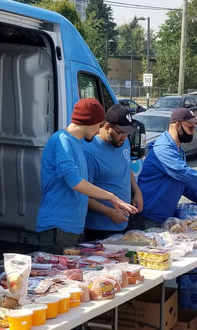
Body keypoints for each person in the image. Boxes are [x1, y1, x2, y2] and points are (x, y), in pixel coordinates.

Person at [37, 98, 138, 253]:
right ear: (89, 122)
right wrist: (111, 197)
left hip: (74, 228)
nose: (99, 131)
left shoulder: (75, 143)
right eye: (98, 126)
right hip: (59, 228)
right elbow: (74, 181)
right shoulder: (61, 141)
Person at [135, 108, 197, 228]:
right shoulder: (163, 149)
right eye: (191, 128)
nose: (193, 132)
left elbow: (182, 183)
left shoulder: (178, 150)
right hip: (148, 218)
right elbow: (186, 175)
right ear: (177, 125)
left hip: (162, 218)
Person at [83, 104, 143, 241]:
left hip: (124, 224)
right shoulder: (90, 153)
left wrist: (137, 191)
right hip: (99, 229)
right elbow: (82, 195)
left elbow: (126, 167)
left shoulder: (122, 141)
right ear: (106, 126)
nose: (124, 137)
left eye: (127, 133)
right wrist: (109, 212)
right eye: (120, 132)